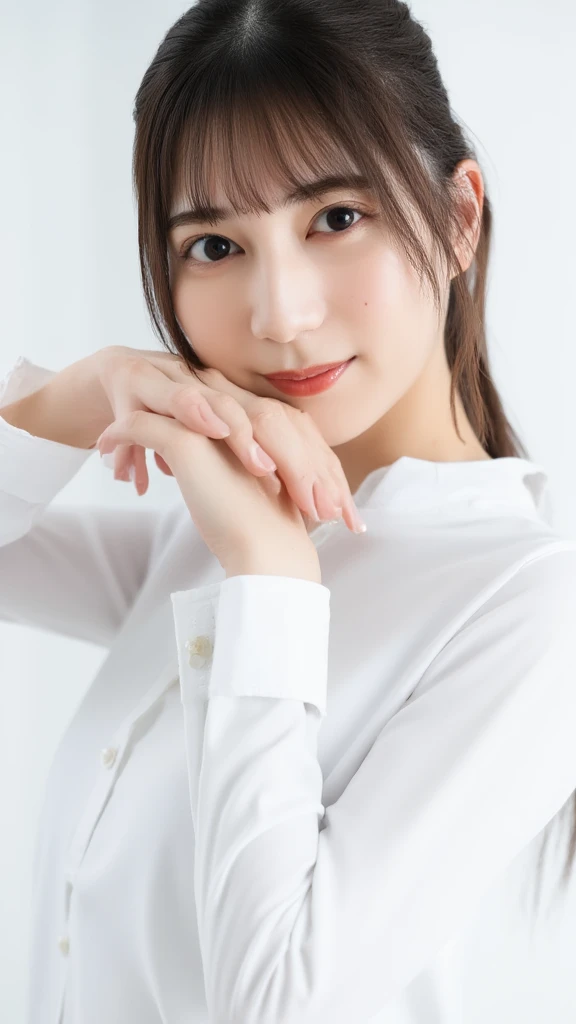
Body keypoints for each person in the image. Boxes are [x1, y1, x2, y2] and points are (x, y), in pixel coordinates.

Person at [2, 1, 576, 1021]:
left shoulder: (530, 605)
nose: (278, 314)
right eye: (214, 246)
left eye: (336, 218)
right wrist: (80, 393)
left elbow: (274, 1001)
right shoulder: (209, 530)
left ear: (459, 218)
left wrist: (269, 581)